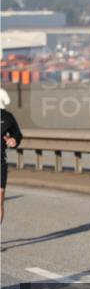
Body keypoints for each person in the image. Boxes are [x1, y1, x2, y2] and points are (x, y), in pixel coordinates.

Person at [1, 93, 23, 224]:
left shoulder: (6, 117)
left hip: (0, 162)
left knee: (0, 197)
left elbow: (17, 133)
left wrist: (14, 140)